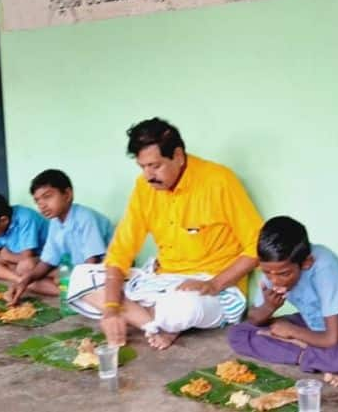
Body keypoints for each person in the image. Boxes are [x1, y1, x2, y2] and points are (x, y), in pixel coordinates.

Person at [67, 117, 263, 350]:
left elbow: (257, 247)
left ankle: (146, 317)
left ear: (178, 156)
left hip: (211, 287)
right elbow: (121, 250)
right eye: (142, 167)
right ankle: (155, 324)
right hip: (161, 281)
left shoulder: (219, 181)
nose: (149, 176)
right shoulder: (144, 187)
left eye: (155, 165)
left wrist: (214, 284)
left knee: (184, 307)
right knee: (79, 278)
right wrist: (110, 309)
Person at [228, 216, 338, 387]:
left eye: (284, 274)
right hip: (311, 322)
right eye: (267, 272)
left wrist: (293, 333)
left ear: (306, 263)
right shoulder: (274, 266)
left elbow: (332, 339)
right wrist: (268, 307)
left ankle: (302, 351)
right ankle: (324, 361)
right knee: (238, 334)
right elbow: (254, 318)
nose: (275, 280)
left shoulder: (324, 267)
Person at [7, 169, 113, 304]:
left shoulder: (85, 217)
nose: (42, 205)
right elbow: (48, 261)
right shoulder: (55, 222)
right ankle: (73, 293)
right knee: (27, 276)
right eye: (37, 201)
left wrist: (71, 279)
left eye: (47, 196)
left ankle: (78, 293)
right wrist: (25, 281)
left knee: (61, 278)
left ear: (67, 194)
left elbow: (92, 263)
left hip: (102, 271)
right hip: (78, 270)